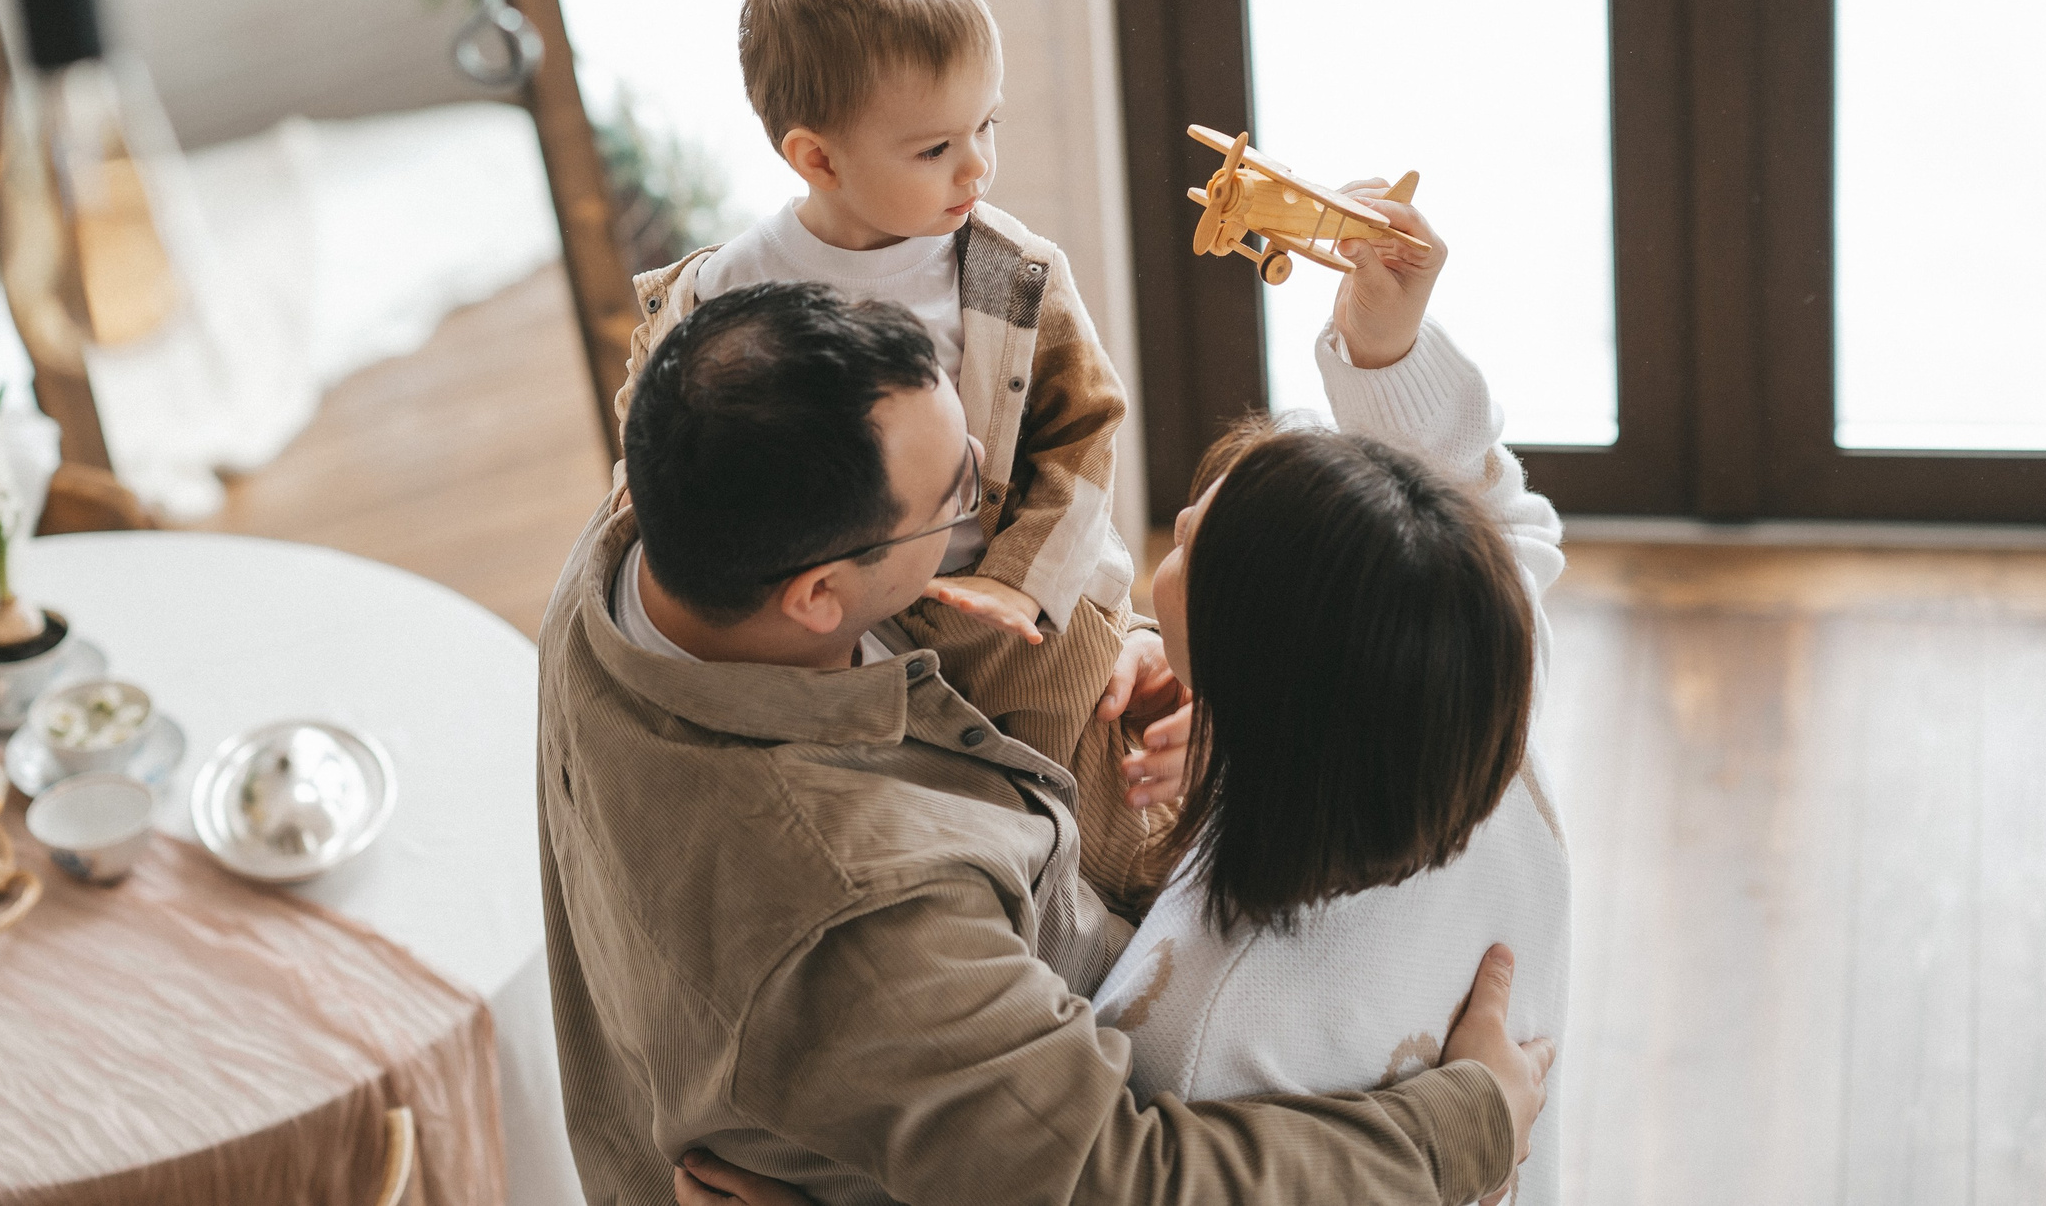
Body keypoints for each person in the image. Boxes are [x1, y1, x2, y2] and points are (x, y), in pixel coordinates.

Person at [539, 276, 1554, 1206]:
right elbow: (1127, 1184)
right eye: (956, 498)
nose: (992, 502)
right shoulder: (861, 912)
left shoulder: (642, 542)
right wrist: (1463, 1128)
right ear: (816, 596)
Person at [610, 0, 1157, 909]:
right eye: (937, 146)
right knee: (920, 811)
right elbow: (655, 426)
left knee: (1080, 801)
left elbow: (1085, 425)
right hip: (835, 623)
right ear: (816, 158)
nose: (977, 167)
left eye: (989, 125)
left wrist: (1017, 579)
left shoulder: (1008, 274)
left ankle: (1106, 920)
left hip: (1006, 610)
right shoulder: (722, 294)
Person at [1088, 188, 1572, 1203]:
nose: (1176, 520)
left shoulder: (1193, 1025)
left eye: (1184, 550)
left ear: (1259, 690)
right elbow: (1496, 529)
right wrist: (1386, 347)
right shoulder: (1483, 701)